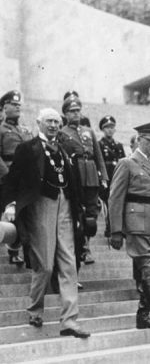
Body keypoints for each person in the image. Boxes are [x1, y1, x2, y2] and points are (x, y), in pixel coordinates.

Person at [2, 108, 90, 338]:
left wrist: (80, 211)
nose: (53, 125)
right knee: (46, 265)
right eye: (49, 121)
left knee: (69, 264)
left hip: (65, 207)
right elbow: (12, 180)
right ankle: (35, 308)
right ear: (38, 123)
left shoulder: (63, 149)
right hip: (40, 206)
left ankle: (69, 321)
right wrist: (10, 204)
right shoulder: (26, 149)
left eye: (57, 122)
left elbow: (74, 184)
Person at [108, 121, 150, 339]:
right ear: (139, 140)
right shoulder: (127, 163)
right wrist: (116, 231)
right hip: (137, 224)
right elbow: (115, 197)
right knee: (148, 268)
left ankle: (142, 312)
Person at [58, 97, 107, 264]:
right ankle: (83, 248)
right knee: (78, 213)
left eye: (78, 110)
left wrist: (104, 177)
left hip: (91, 173)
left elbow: (98, 156)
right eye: (72, 111)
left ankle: (87, 245)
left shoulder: (88, 131)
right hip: (75, 174)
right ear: (65, 114)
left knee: (92, 214)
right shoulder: (62, 133)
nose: (76, 113)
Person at [0, 91, 34, 265]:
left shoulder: (25, 130)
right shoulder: (1, 129)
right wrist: (7, 175)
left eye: (19, 104)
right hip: (5, 179)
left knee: (21, 215)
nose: (17, 107)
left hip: (24, 181)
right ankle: (11, 249)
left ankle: (14, 249)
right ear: (4, 107)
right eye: (13, 104)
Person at [97, 115, 126, 237]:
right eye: (107, 127)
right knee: (109, 202)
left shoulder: (118, 145)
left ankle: (120, 227)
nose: (109, 130)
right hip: (106, 177)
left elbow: (124, 162)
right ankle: (110, 226)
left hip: (117, 176)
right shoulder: (99, 144)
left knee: (119, 201)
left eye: (112, 127)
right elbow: (98, 162)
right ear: (103, 130)